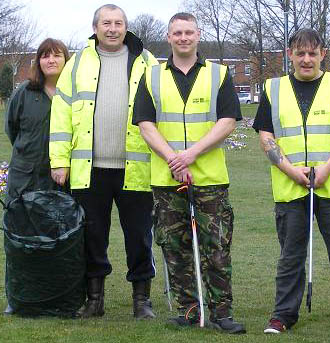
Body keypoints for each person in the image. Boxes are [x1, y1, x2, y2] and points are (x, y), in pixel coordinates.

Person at [253, 28, 330, 335]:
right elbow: (266, 136)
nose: (306, 59)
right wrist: (291, 170)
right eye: (300, 53)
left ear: (323, 54)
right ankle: (283, 315)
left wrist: (328, 168)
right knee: (290, 257)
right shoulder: (272, 88)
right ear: (290, 54)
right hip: (290, 188)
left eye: (313, 53)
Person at [133, 12, 245, 334]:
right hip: (167, 180)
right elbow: (145, 123)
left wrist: (191, 155)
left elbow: (227, 121)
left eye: (188, 32)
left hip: (210, 179)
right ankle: (187, 310)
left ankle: (222, 313)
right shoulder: (152, 76)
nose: (183, 37)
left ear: (198, 35)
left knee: (217, 247)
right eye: (177, 33)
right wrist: (173, 160)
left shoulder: (219, 74)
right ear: (169, 37)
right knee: (174, 247)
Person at [49, 4, 158, 319]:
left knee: (140, 237)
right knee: (91, 236)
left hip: (136, 169)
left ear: (126, 27)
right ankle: (94, 300)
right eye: (106, 23)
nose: (112, 28)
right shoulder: (78, 62)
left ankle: (142, 301)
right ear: (95, 27)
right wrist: (59, 160)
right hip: (89, 170)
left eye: (118, 23)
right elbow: (62, 115)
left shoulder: (147, 61)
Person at [3, 38, 69, 315]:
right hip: (25, 178)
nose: (51, 60)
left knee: (57, 240)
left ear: (66, 60)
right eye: (45, 56)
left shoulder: (73, 95)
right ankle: (17, 297)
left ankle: (53, 298)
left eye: (56, 55)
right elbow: (12, 130)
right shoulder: (24, 94)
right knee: (20, 240)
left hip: (61, 179)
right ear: (38, 62)